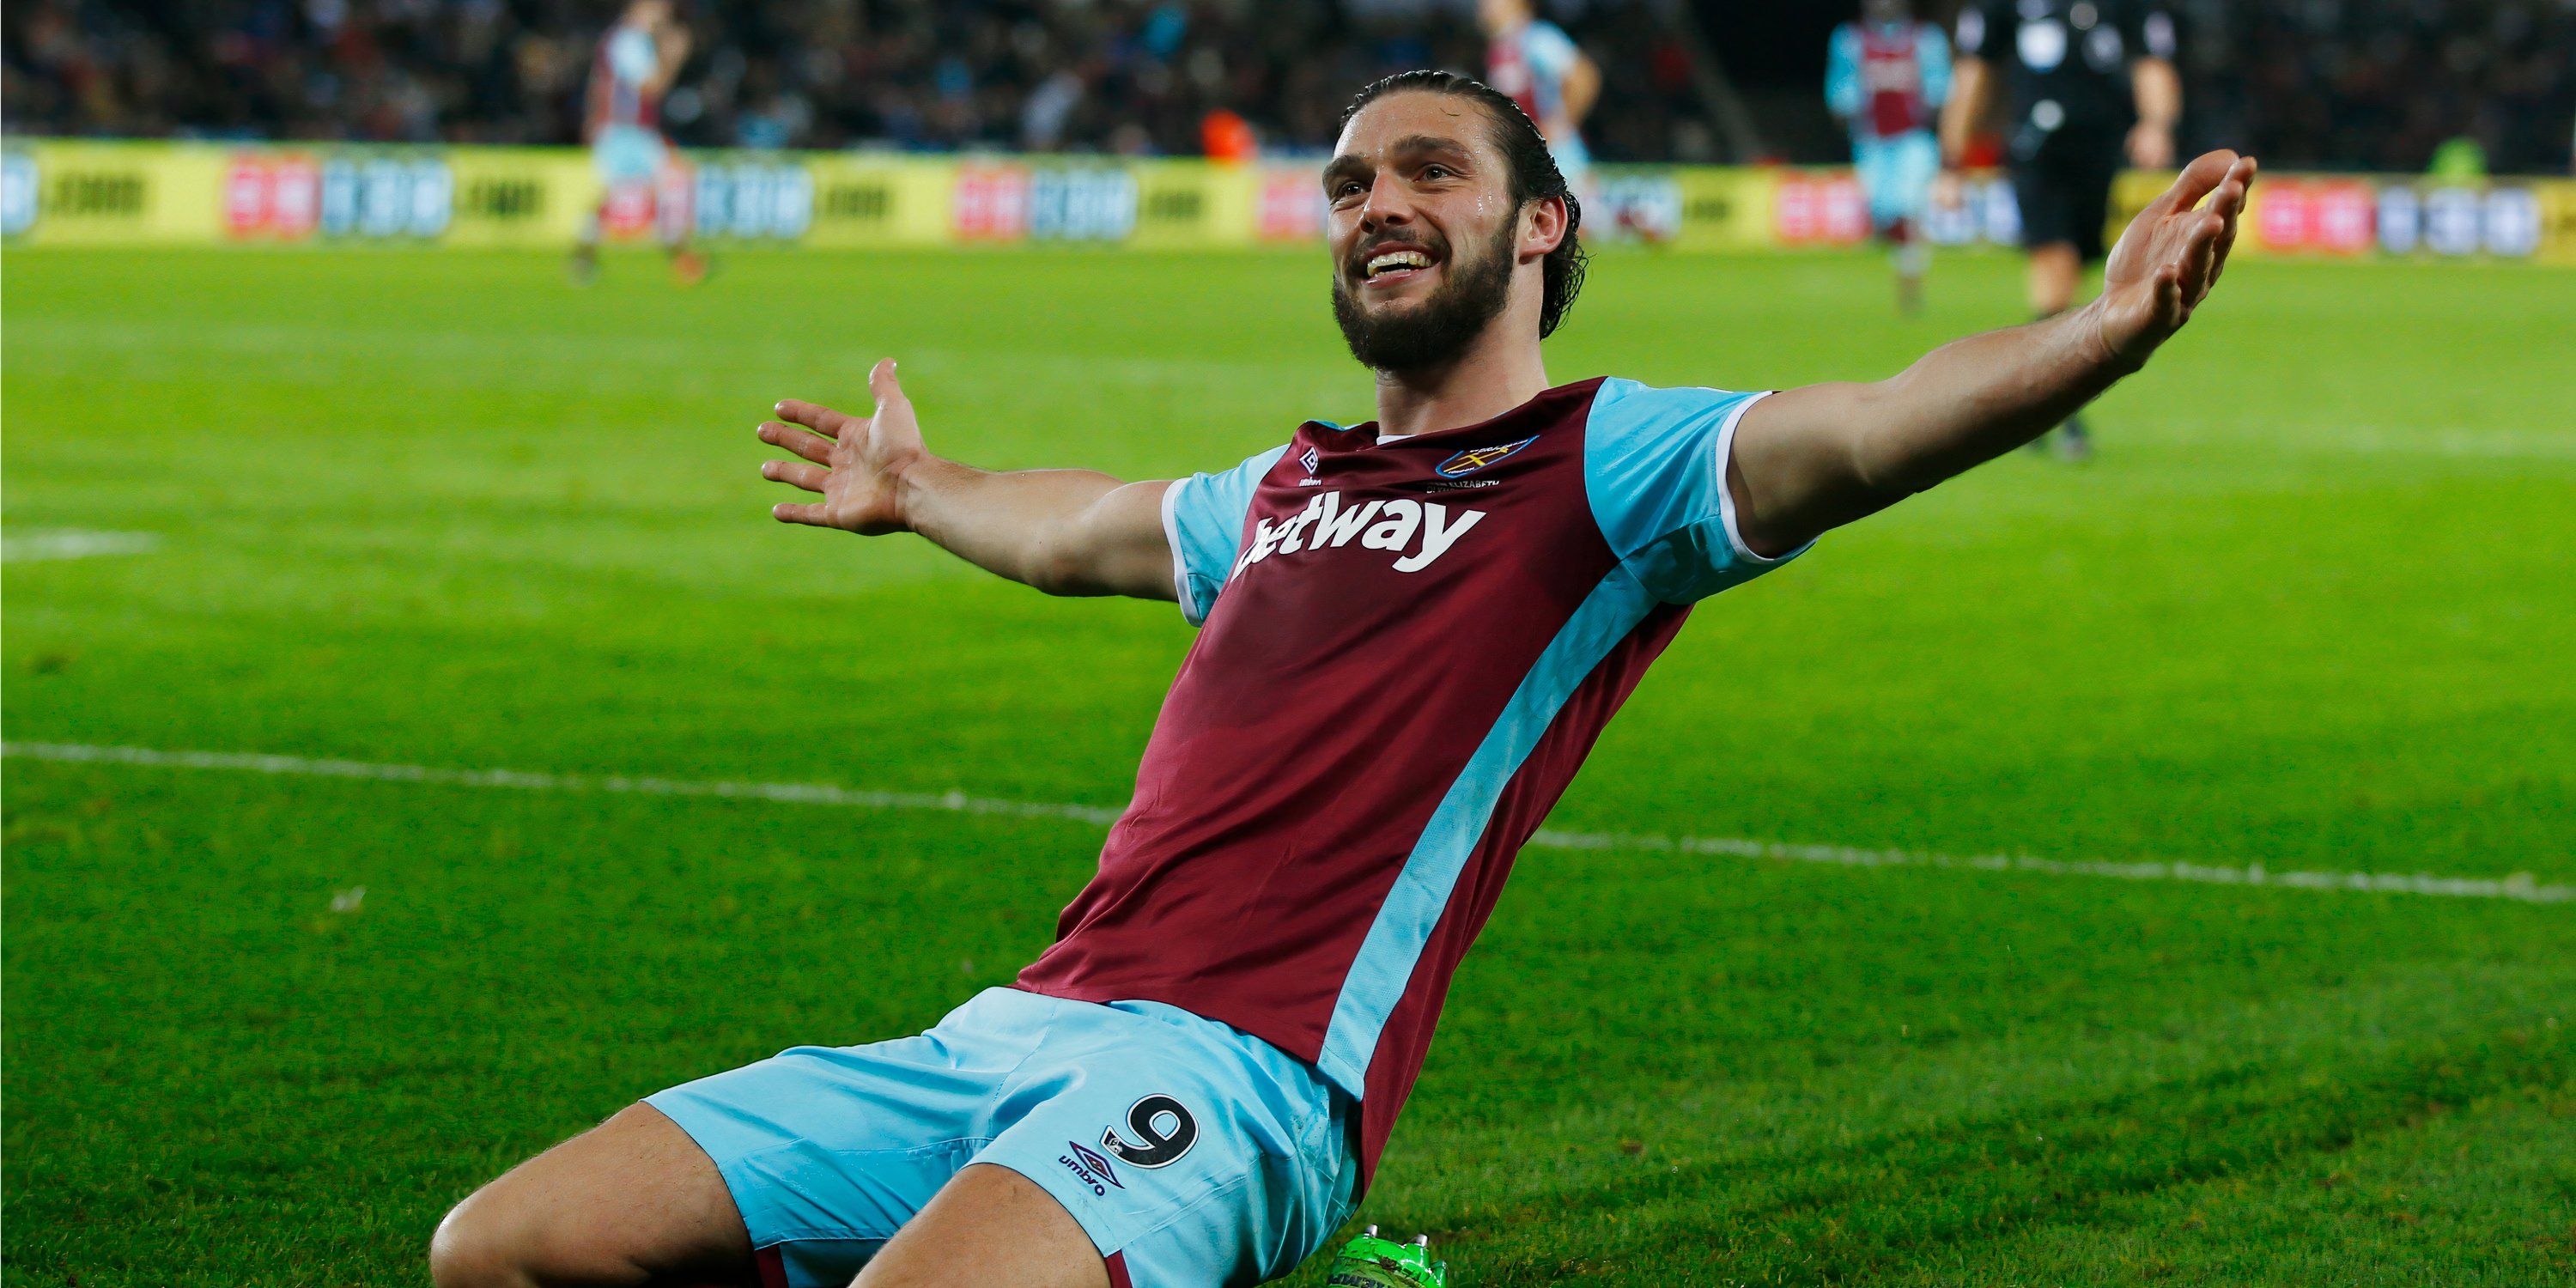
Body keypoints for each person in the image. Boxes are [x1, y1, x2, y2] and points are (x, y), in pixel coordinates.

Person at [429, 70, 2253, 1288]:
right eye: (1351, 182)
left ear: (1541, 227)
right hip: (1004, 1032)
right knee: (501, 1248)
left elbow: (1868, 430)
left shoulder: (1602, 471)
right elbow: (1083, 531)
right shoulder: (1286, 490)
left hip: (1243, 1080)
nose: (1376, 203)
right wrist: (921, 492)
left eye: (1430, 174)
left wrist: (2100, 331)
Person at [1941, 0, 2179, 458]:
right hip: (2036, 149)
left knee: (2076, 276)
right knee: (2054, 262)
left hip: (2100, 151)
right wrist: (1953, 161)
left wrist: (2156, 125)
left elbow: (2153, 60)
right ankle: (2059, 411)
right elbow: (1974, 75)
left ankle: (2033, 402)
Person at [1827, 0, 1953, 314]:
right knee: (1882, 211)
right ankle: (1885, 284)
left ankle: (1910, 284)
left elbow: (1942, 88)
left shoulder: (1926, 39)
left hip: (1913, 140)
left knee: (1910, 208)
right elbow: (1840, 92)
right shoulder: (1850, 40)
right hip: (1872, 142)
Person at [571, 0, 704, 286]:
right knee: (663, 183)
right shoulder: (629, 40)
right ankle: (679, 258)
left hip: (628, 130)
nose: (663, 13)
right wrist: (673, 56)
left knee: (662, 184)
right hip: (624, 131)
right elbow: (650, 88)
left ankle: (584, 257)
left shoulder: (629, 39)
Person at [1480, 0, 1600, 189]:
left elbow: (1583, 77)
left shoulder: (1537, 39)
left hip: (1559, 159)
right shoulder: (1501, 45)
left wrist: (1558, 125)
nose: (1484, 7)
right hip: (1528, 160)